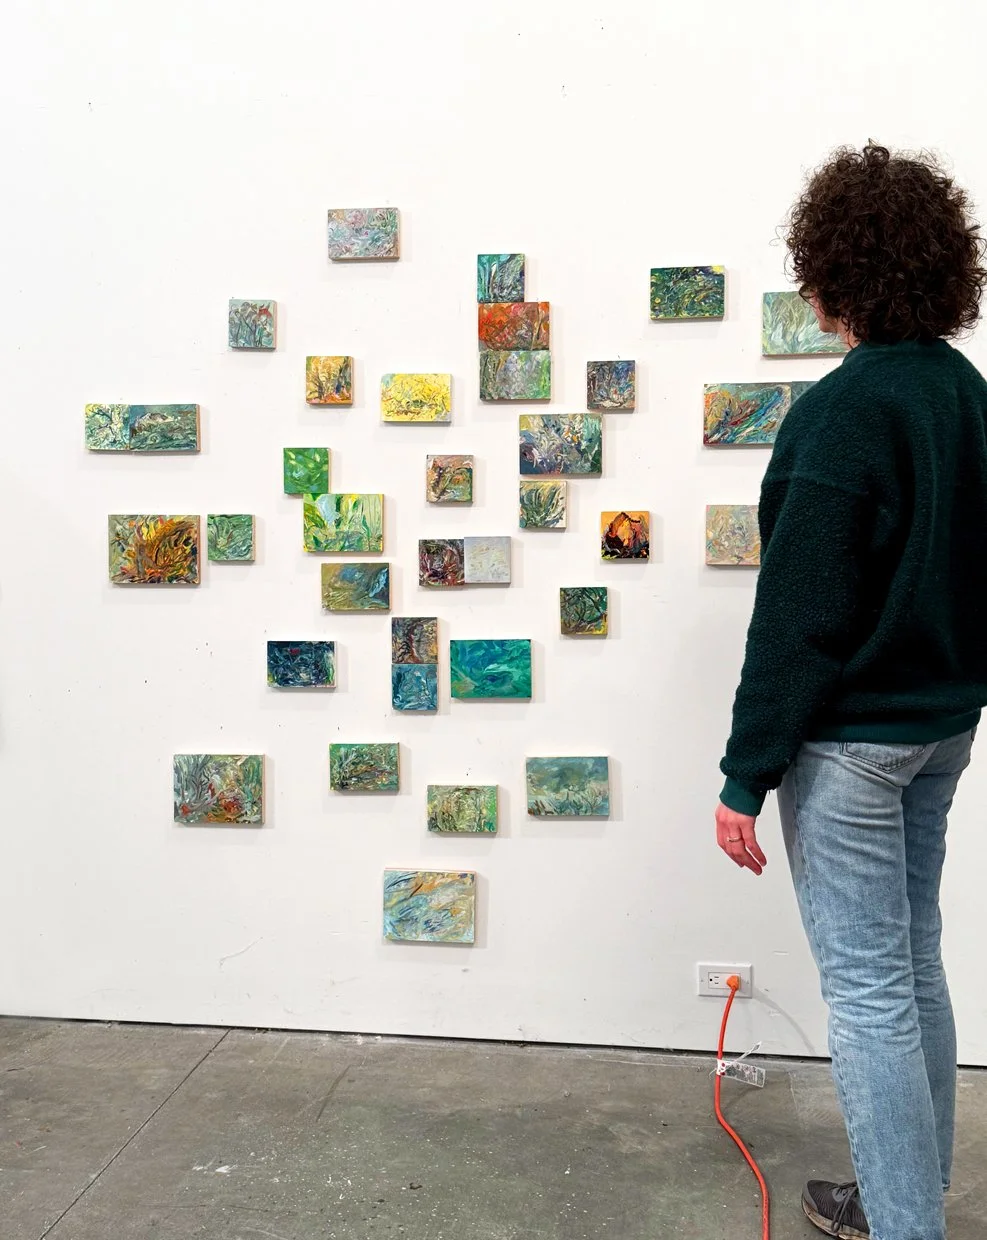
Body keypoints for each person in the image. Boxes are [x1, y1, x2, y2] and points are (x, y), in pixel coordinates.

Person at [715, 142, 987, 1240]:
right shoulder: (964, 395)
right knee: (910, 965)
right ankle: (897, 1200)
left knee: (870, 991)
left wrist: (745, 774)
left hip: (853, 746)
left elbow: (798, 620)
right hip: (941, 729)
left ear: (834, 270)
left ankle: (904, 1224)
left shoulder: (841, 413)